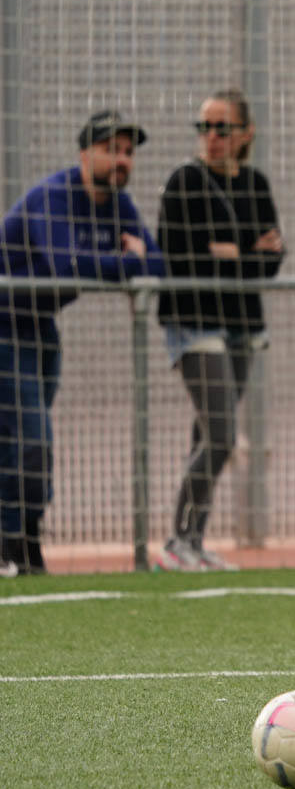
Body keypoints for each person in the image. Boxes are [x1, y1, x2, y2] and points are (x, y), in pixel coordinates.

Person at [0, 110, 164, 575]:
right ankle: (12, 545)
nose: (122, 160)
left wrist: (133, 261)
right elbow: (66, 265)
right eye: (111, 149)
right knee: (29, 437)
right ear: (84, 154)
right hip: (4, 325)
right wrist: (128, 262)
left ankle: (25, 546)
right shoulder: (54, 196)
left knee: (26, 441)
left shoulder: (119, 205)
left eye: (129, 152)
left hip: (40, 325)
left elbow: (159, 264)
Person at [154, 88, 285, 572]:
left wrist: (234, 253)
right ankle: (175, 540)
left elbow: (271, 262)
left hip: (242, 325)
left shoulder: (255, 184)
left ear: (245, 134)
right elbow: (180, 251)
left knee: (206, 434)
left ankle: (193, 539)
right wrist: (243, 253)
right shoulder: (185, 181)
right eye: (204, 127)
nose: (210, 137)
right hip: (194, 323)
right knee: (224, 434)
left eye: (221, 128)